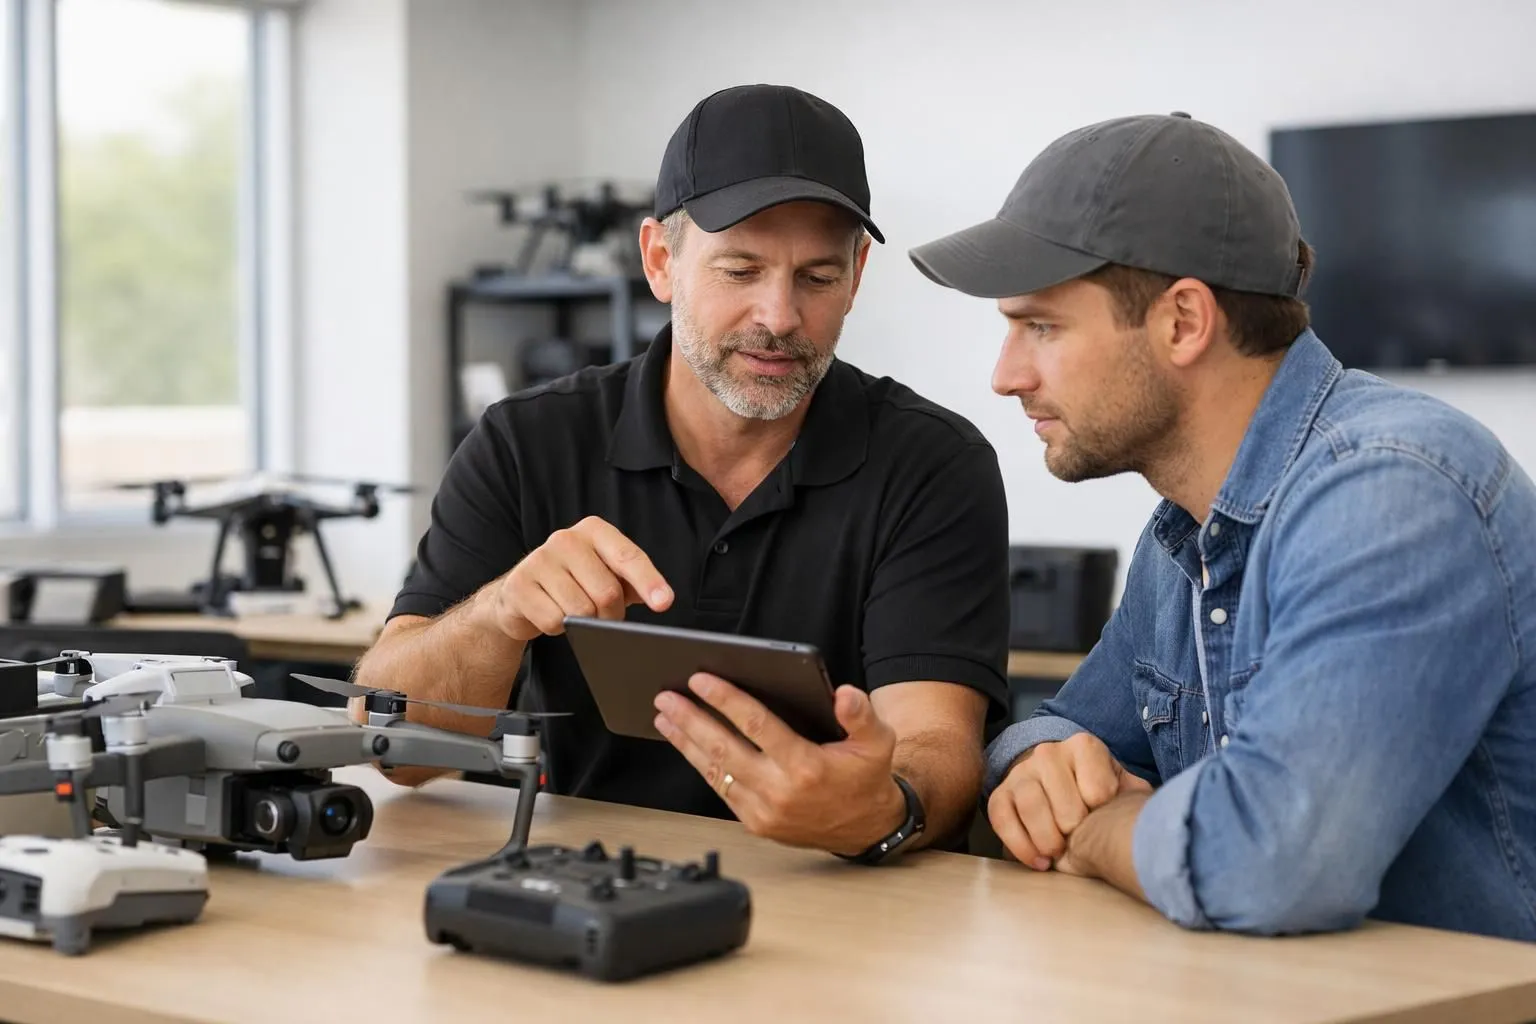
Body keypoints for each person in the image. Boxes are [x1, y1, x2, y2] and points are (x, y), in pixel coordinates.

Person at [908, 111, 1536, 940]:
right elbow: (1064, 727)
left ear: (1183, 322)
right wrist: (1035, 762)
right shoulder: (1182, 538)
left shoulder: (1393, 493)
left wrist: (1095, 833)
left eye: (1041, 326)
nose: (1005, 375)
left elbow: (1274, 865)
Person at [353, 84, 1011, 862]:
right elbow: (396, 744)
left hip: (843, 908)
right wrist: (499, 612)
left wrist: (883, 806)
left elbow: (937, 742)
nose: (779, 316)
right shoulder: (526, 442)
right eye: (740, 270)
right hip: (585, 887)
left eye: (818, 277)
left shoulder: (933, 464)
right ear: (660, 261)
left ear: (858, 274)